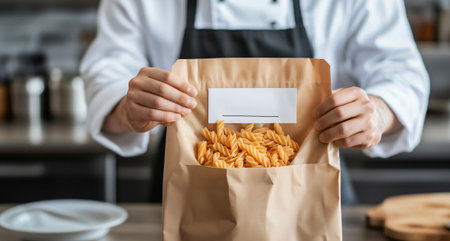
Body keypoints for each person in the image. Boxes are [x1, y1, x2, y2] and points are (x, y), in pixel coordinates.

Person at [80, 0, 429, 204]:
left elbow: (402, 74)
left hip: (310, 195)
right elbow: (107, 72)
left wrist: (378, 113)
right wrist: (128, 107)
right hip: (191, 195)